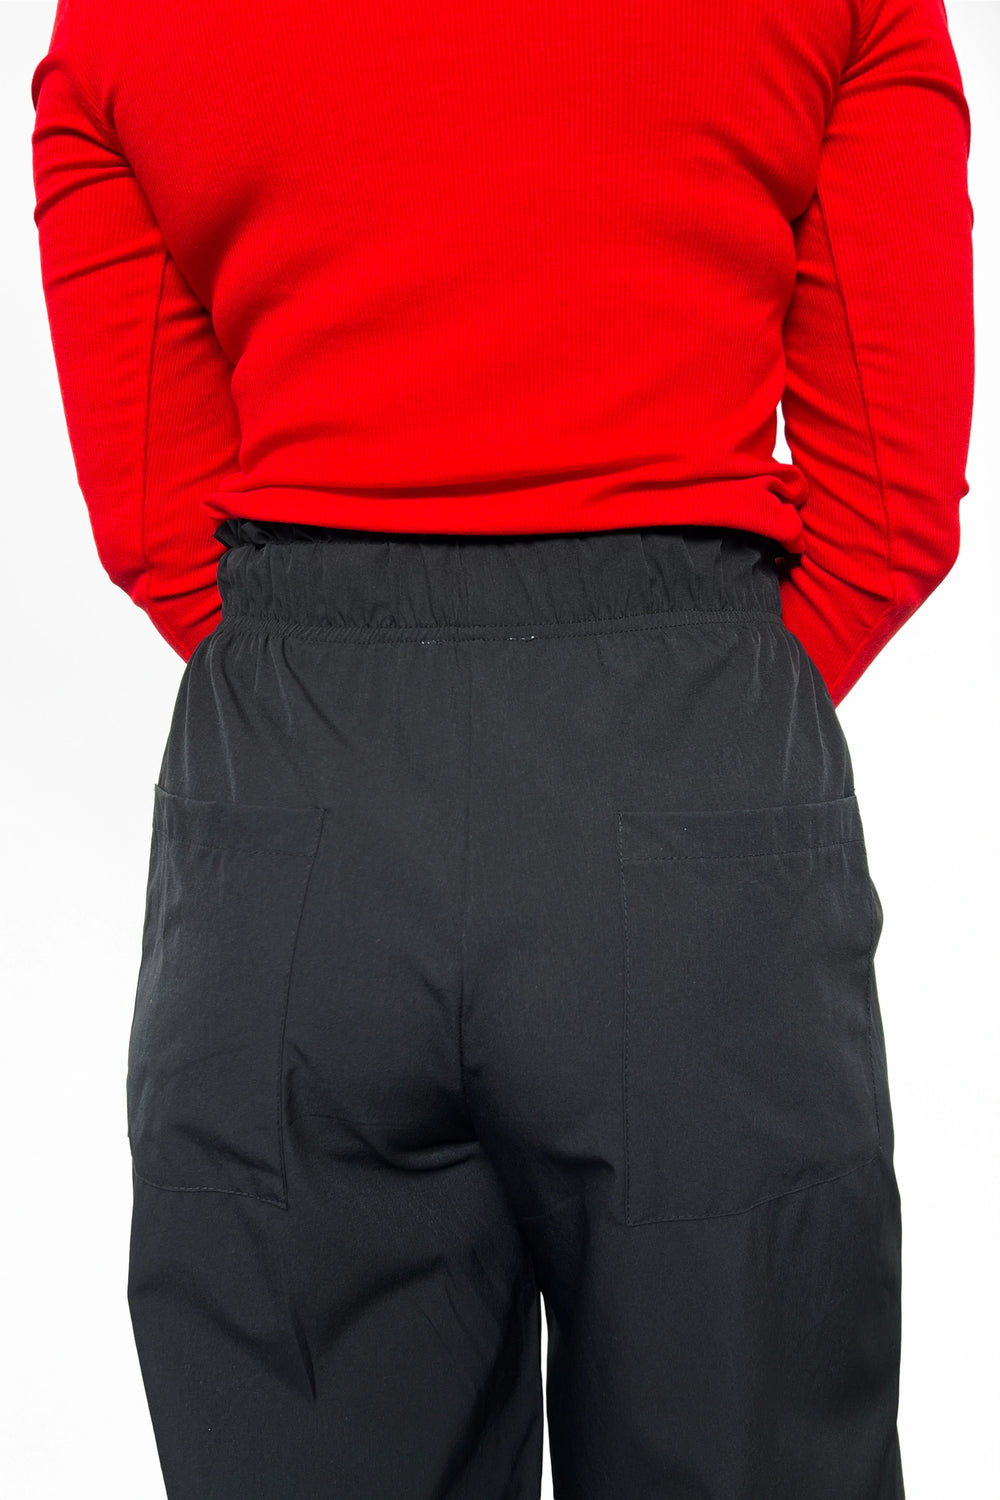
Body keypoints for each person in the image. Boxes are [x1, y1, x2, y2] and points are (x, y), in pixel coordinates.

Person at [30, 0, 973, 1494]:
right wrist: (701, 714)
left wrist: (332, 677)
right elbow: (893, 501)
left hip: (301, 814)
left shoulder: (118, 26)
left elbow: (156, 509)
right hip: (687, 789)